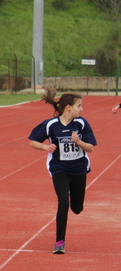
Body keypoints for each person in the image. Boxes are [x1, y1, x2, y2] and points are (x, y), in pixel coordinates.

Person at [28, 87, 97, 254]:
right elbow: (32, 141)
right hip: (59, 167)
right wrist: (45, 147)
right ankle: (60, 241)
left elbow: (91, 148)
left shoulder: (81, 123)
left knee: (77, 208)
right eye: (79, 106)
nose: (82, 109)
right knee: (63, 202)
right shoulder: (50, 125)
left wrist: (79, 142)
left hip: (79, 167)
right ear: (68, 107)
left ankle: (74, 195)